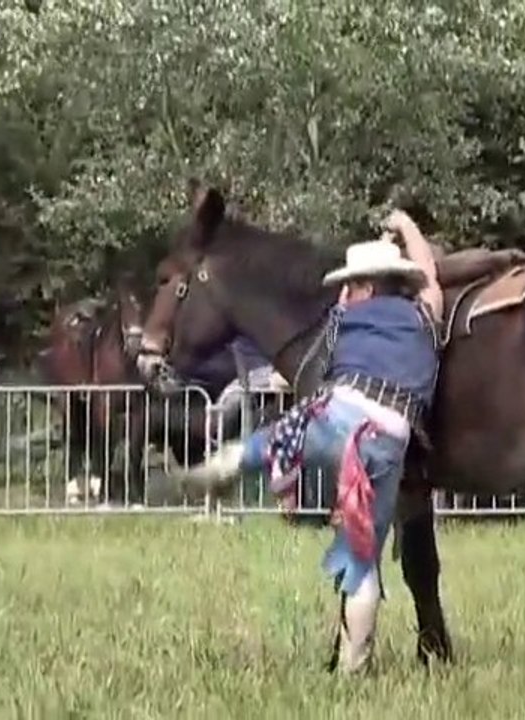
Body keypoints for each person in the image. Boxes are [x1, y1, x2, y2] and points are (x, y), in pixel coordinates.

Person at [181, 209, 443, 674]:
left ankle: (225, 467)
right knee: (363, 559)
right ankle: (352, 666)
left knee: (278, 438)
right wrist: (408, 227)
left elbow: (337, 313)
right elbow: (429, 275)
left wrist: (350, 291)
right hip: (387, 441)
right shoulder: (424, 315)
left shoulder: (345, 315)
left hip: (339, 416)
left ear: (359, 286)